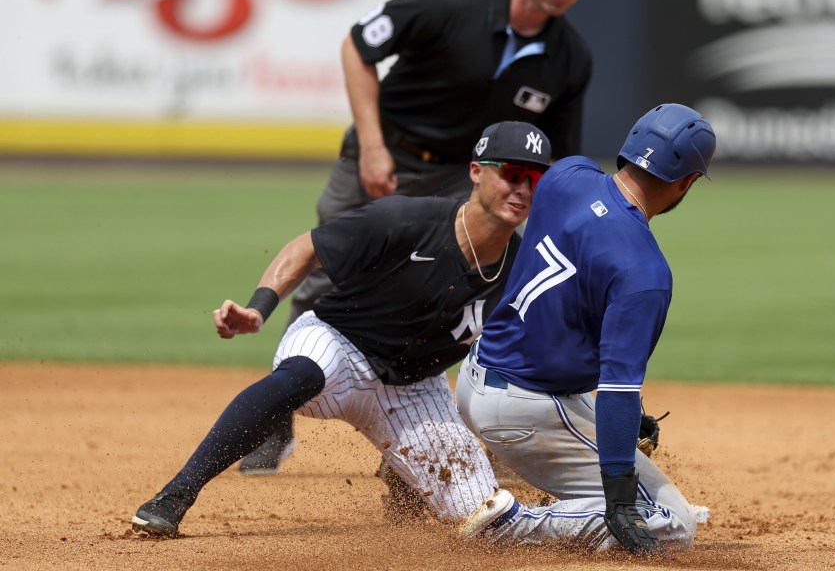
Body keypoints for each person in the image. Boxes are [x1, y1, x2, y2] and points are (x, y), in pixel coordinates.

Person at [240, 0, 601, 475]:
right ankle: (276, 416)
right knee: (323, 277)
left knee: (469, 298)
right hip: (386, 151)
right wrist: (374, 147)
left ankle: (418, 432)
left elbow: (555, 159)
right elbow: (358, 47)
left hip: (468, 176)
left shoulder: (570, 58)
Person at [130, 123, 552, 536]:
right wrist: (260, 309)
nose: (523, 189)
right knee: (301, 376)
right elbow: (306, 249)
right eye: (512, 174)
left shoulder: (523, 271)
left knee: (479, 513)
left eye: (535, 178)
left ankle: (403, 477)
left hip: (415, 389)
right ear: (476, 171)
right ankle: (176, 495)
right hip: (337, 343)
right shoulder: (409, 219)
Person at [454, 104, 716, 555]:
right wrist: (619, 501)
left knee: (619, 443)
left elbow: (579, 304)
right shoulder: (646, 271)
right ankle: (518, 525)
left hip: (472, 380)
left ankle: (486, 473)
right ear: (686, 181)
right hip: (523, 413)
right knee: (673, 524)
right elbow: (616, 388)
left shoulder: (566, 176)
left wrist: (622, 422)